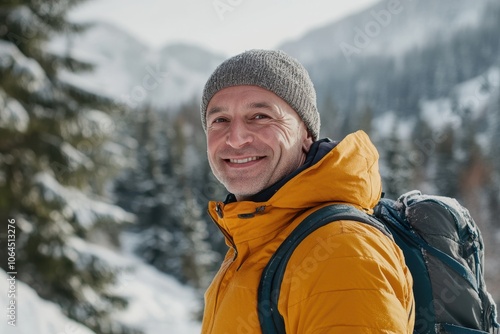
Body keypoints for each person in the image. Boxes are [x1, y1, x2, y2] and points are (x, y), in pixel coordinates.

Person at [199, 49, 415, 333]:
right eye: (220, 120)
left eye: (260, 116)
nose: (236, 138)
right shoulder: (256, 240)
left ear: (306, 134)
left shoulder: (339, 249)